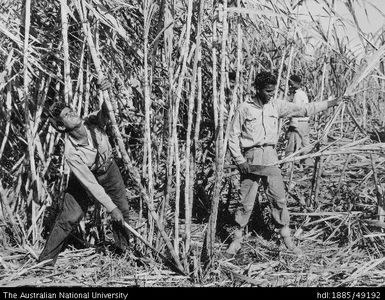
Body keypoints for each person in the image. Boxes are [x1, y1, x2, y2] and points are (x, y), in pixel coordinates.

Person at [226, 71, 340, 255]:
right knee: (245, 202)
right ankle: (237, 240)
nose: (271, 94)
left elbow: (303, 109)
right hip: (251, 158)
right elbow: (233, 135)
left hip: (270, 157)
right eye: (268, 91)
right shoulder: (244, 108)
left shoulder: (276, 106)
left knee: (278, 199)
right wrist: (239, 160)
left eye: (273, 91)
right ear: (257, 89)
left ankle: (287, 240)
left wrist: (330, 103)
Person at [38, 79, 132, 266]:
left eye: (70, 110)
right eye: (66, 115)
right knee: (69, 217)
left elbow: (107, 111)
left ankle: (124, 253)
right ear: (62, 127)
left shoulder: (92, 122)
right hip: (85, 178)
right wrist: (109, 208)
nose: (72, 113)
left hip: (109, 170)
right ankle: (45, 261)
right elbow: (91, 184)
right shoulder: (71, 153)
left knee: (123, 209)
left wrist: (106, 93)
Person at [284, 74, 312, 167]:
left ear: (295, 83)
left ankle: (288, 164)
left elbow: (296, 111)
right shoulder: (302, 94)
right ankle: (307, 163)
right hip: (304, 123)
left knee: (292, 144)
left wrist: (292, 126)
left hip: (298, 123)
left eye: (290, 83)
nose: (289, 85)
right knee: (305, 144)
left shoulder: (298, 95)